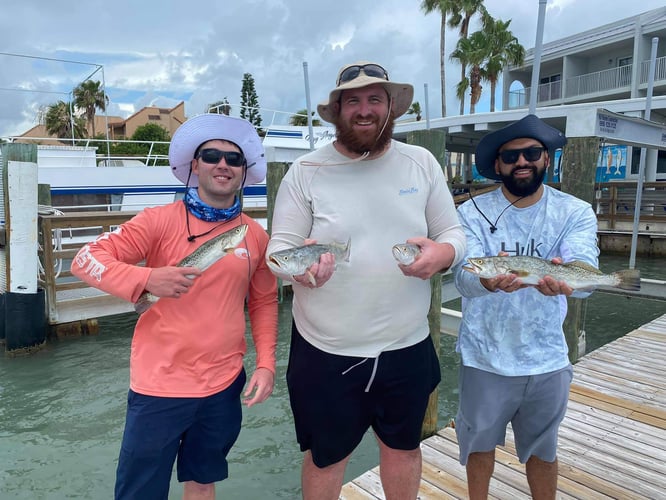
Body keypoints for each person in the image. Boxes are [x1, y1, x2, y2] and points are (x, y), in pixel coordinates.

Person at [267, 61, 467, 499]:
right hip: (325, 352)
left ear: (391, 106)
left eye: (375, 99)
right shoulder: (305, 171)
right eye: (353, 100)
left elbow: (452, 234)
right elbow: (277, 253)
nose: (364, 109)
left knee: (404, 449)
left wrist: (444, 254)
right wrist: (302, 270)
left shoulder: (422, 163)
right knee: (325, 458)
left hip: (408, 346)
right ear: (337, 110)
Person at [70, 114, 278, 499]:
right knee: (140, 491)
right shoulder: (156, 220)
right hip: (158, 387)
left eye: (234, 160)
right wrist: (146, 279)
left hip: (224, 384)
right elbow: (85, 259)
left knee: (202, 481)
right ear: (194, 165)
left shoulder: (255, 234)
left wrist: (266, 363)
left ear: (244, 172)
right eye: (211, 155)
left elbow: (263, 301)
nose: (223, 164)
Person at [453, 114, 599, 499]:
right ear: (497, 165)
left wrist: (566, 283)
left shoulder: (575, 212)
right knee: (478, 447)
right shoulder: (470, 213)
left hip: (548, 358)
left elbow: (583, 281)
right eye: (512, 155)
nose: (523, 162)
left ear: (547, 158)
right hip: (484, 357)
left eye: (532, 152)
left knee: (543, 452)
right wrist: (486, 281)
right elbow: (463, 278)